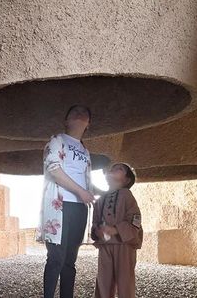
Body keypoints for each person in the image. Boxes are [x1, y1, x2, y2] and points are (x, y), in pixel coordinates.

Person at [37, 104, 95, 298]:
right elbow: (54, 169)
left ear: (88, 124)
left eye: (85, 113)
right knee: (56, 258)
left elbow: (87, 181)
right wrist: (81, 192)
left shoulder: (85, 151)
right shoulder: (57, 140)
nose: (80, 113)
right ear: (66, 120)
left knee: (70, 261)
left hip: (80, 208)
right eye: (74, 111)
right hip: (59, 206)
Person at [91, 163, 143, 298]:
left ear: (127, 180)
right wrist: (97, 231)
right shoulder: (100, 199)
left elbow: (135, 219)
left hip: (124, 245)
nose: (113, 170)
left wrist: (115, 230)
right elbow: (95, 221)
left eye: (119, 169)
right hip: (105, 246)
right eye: (112, 168)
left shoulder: (127, 195)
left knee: (125, 281)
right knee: (103, 281)